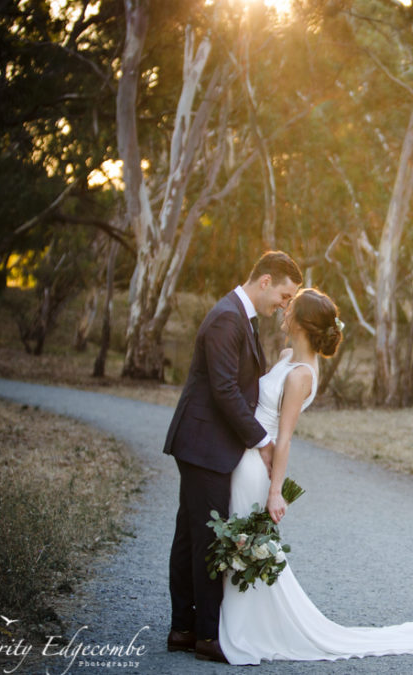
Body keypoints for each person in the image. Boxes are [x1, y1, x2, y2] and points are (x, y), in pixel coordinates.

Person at [218, 287, 413, 664]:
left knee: (244, 540)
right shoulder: (288, 357)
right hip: (247, 454)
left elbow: (285, 440)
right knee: (241, 540)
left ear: (303, 325)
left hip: (258, 465)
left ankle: (247, 626)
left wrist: (276, 492)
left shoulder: (302, 374)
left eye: (290, 310)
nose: (283, 313)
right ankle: (240, 618)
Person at [163, 251, 302, 663]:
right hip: (203, 444)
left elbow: (241, 384)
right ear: (264, 281)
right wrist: (262, 441)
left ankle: (184, 629)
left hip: (204, 443)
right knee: (203, 539)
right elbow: (224, 390)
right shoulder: (227, 317)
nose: (284, 303)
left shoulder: (241, 316)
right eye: (283, 294)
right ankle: (206, 635)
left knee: (190, 535)